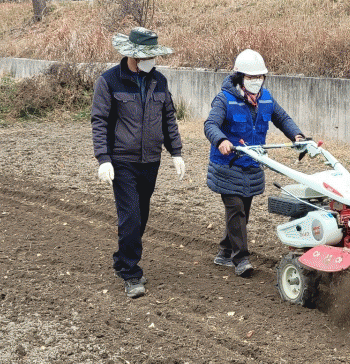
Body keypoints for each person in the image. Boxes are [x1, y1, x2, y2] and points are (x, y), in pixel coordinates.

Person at [91, 27, 185, 298]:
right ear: (133, 55)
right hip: (122, 160)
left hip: (151, 160)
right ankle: (131, 273)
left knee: (140, 215)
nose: (152, 60)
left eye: (153, 56)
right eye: (147, 56)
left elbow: (168, 118)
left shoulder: (159, 81)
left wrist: (176, 152)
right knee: (130, 216)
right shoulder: (110, 81)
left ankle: (122, 259)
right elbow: (99, 121)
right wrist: (103, 159)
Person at [204, 49, 304, 278]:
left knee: (242, 214)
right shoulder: (224, 99)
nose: (256, 81)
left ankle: (224, 252)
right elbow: (210, 124)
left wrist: (297, 136)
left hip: (252, 166)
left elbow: (282, 118)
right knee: (237, 211)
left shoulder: (266, 98)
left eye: (259, 76)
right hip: (227, 166)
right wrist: (221, 140)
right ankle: (241, 260)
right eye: (251, 77)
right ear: (240, 77)